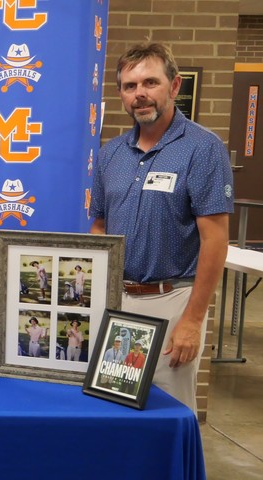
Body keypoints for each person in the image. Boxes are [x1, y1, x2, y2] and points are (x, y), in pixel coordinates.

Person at [90, 42, 233, 410]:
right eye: (129, 86)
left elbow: (215, 239)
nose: (140, 94)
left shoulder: (203, 149)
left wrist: (193, 319)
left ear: (174, 86)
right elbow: (100, 227)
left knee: (167, 411)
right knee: (113, 405)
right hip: (117, 302)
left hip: (173, 302)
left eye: (150, 83)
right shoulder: (110, 155)